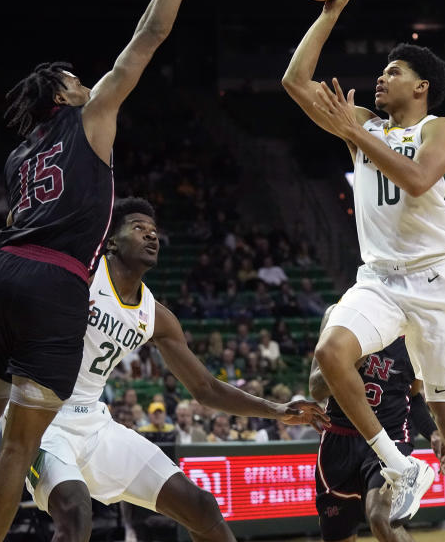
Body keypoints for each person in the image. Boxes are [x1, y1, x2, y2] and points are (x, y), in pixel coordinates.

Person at [0, 0, 234, 539]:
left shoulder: (21, 154)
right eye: (76, 79)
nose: (86, 82)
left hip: (2, 272)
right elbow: (149, 36)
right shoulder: (91, 113)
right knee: (20, 447)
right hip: (55, 281)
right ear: (64, 93)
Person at [282, 0, 445, 541]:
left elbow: (418, 179)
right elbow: (294, 81)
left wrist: (356, 132)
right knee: (331, 351)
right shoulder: (365, 131)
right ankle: (399, 466)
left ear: (421, 86)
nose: (381, 76)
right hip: (378, 279)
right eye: (382, 71)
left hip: (438, 280)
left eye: (394, 71)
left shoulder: (439, 128)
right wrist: (330, 11)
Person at [24, 197, 328, 542]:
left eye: (154, 232)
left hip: (93, 423)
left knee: (200, 506)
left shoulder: (155, 316)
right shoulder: (85, 276)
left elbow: (206, 389)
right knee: (75, 513)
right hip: (41, 418)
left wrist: (276, 409)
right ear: (111, 241)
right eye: (138, 228)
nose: (151, 236)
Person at [309, 307, 445, 542]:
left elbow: (412, 397)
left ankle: (411, 472)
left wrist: (433, 432)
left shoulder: (414, 334)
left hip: (390, 438)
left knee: (381, 518)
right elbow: (316, 388)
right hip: (339, 441)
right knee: (338, 535)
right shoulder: (338, 314)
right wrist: (354, 355)